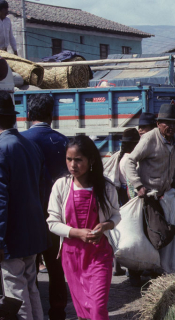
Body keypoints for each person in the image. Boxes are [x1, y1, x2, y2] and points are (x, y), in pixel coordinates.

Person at [47, 136, 121, 320]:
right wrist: (76, 233)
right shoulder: (61, 186)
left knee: (97, 308)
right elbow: (52, 222)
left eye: (78, 160)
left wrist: (105, 226)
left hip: (99, 255)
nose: (72, 165)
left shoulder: (106, 188)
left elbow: (116, 215)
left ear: (91, 160)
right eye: (69, 159)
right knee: (82, 310)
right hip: (71, 257)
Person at [125, 103, 175, 274]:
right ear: (159, 124)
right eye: (166, 123)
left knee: (161, 234)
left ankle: (155, 268)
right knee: (144, 235)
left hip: (164, 196)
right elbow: (130, 161)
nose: (171, 127)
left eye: (174, 123)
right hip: (147, 196)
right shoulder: (150, 139)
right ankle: (135, 272)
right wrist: (138, 185)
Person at [20, 93, 68, 320]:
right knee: (56, 265)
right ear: (52, 115)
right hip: (58, 214)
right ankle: (58, 310)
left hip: (30, 214)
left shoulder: (21, 141)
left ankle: (34, 309)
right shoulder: (63, 141)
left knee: (29, 266)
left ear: (28, 115)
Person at [0, 92, 47, 320]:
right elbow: (40, 188)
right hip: (33, 232)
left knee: (15, 294)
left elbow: (0, 201)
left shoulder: (1, 148)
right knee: (31, 288)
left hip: (11, 236)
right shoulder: (29, 146)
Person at [118, 128, 140, 205]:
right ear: (133, 145)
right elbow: (131, 184)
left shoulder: (122, 158)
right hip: (129, 195)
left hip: (123, 194)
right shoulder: (130, 160)